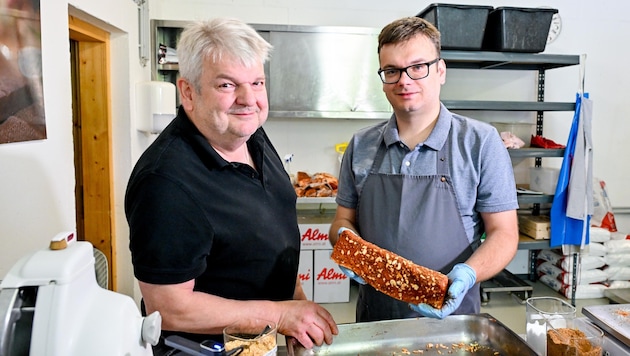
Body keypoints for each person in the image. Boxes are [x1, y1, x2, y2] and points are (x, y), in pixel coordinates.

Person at [125, 17, 338, 354]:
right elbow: (167, 306)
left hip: (258, 340)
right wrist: (281, 315)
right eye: (227, 85)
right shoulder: (166, 182)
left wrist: (294, 310)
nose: (248, 99)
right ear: (188, 92)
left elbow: (272, 233)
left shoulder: (250, 134)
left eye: (257, 82)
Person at [329, 16, 519, 322]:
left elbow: (505, 233)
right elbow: (342, 220)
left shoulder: (480, 142)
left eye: (418, 67)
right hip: (375, 319)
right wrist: (347, 243)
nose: (404, 80)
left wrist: (469, 273)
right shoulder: (361, 145)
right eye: (392, 70)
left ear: (440, 71)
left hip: (453, 319)